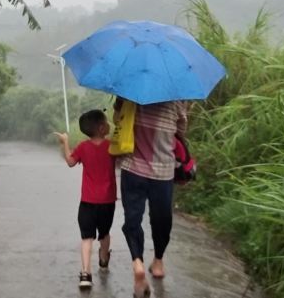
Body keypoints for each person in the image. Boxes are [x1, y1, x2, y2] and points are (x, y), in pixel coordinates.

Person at [113, 98, 188, 297]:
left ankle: (137, 262)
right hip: (162, 171)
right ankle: (158, 262)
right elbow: (180, 133)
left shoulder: (128, 95)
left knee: (132, 219)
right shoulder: (177, 99)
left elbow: (117, 120)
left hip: (132, 168)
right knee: (162, 219)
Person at [54, 109, 117, 290]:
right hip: (107, 201)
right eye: (106, 122)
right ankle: (104, 259)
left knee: (86, 238)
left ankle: (85, 273)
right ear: (101, 127)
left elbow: (70, 162)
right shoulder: (112, 146)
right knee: (104, 234)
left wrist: (65, 142)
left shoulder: (83, 147)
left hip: (87, 202)